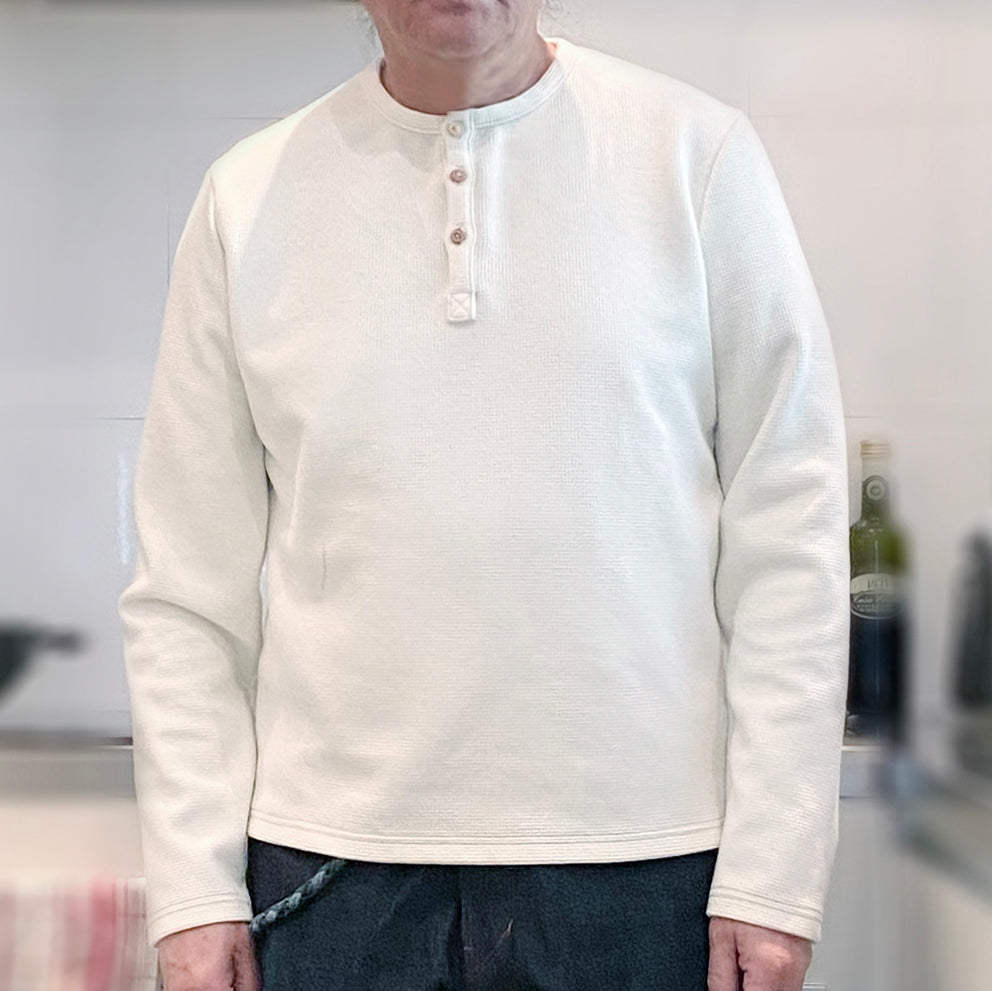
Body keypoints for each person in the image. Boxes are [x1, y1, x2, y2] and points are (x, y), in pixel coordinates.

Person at [118, 1, 850, 989]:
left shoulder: (699, 157)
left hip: (648, 866)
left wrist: (774, 872)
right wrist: (193, 891)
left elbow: (790, 542)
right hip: (328, 872)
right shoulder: (244, 198)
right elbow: (184, 590)